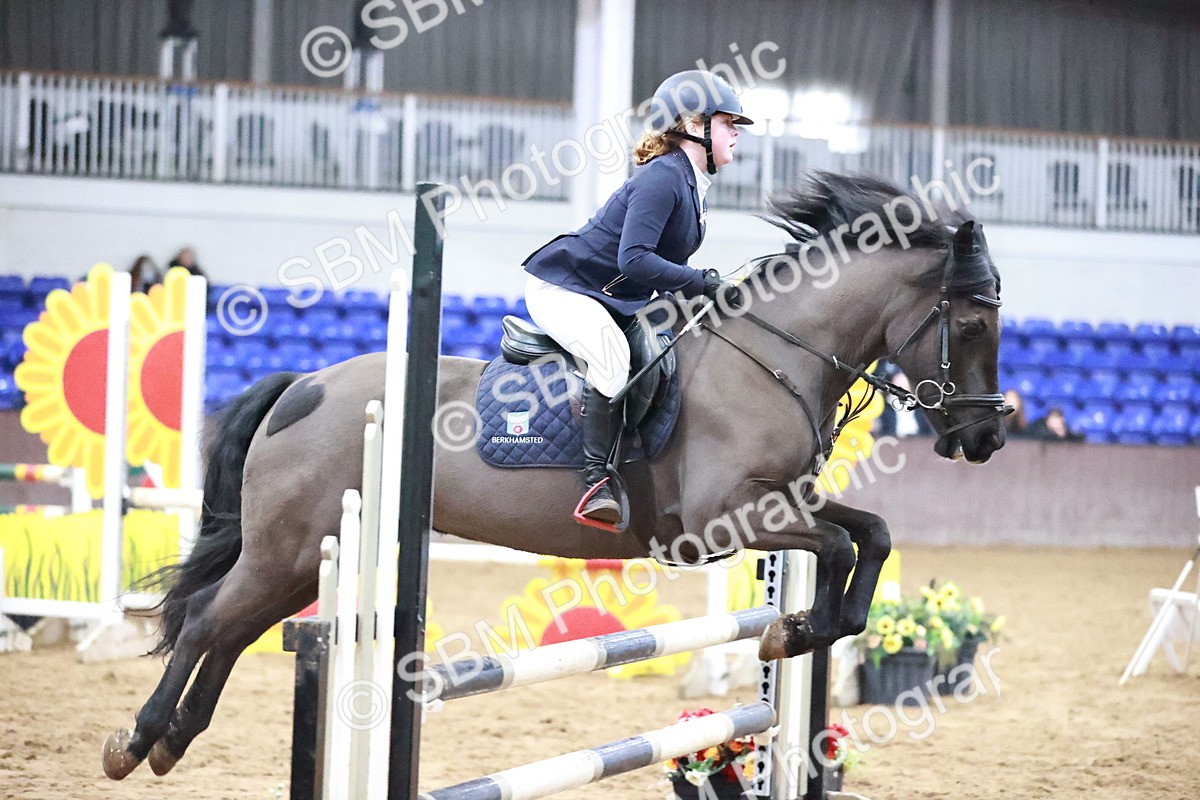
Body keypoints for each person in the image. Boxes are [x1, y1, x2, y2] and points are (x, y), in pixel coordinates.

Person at [521, 70, 752, 526]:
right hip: (565, 289)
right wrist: (703, 282)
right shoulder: (663, 177)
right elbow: (635, 259)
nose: (735, 133)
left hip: (609, 298)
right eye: (728, 123)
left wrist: (709, 298)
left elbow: (664, 271)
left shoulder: (690, 184)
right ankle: (595, 484)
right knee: (612, 359)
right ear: (693, 125)